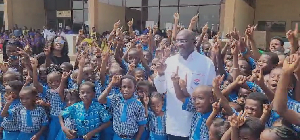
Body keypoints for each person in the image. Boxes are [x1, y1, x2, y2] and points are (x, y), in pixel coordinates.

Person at [154, 29, 216, 140]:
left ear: (194, 42)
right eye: (177, 41)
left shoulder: (206, 63)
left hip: (197, 125)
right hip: (174, 123)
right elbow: (161, 90)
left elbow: (211, 93)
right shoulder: (170, 62)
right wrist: (161, 73)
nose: (179, 44)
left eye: (183, 41)